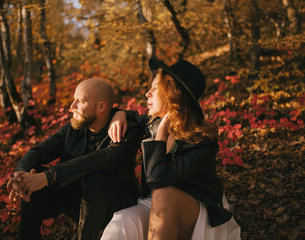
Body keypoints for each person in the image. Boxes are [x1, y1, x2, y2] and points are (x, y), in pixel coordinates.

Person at [102, 58, 241, 240]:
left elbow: (158, 180)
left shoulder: (202, 142)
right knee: (122, 221)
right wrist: (120, 114)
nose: (147, 93)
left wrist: (161, 135)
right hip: (156, 204)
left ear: (174, 94)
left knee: (163, 193)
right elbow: (131, 115)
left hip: (198, 209)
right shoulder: (151, 123)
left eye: (155, 87)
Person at [6, 78, 143, 240]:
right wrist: (20, 176)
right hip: (80, 199)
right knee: (33, 178)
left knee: (94, 175)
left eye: (80, 101)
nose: (72, 107)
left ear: (101, 107)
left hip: (115, 206)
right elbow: (38, 152)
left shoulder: (126, 129)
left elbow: (103, 158)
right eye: (74, 100)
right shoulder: (75, 127)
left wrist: (49, 176)